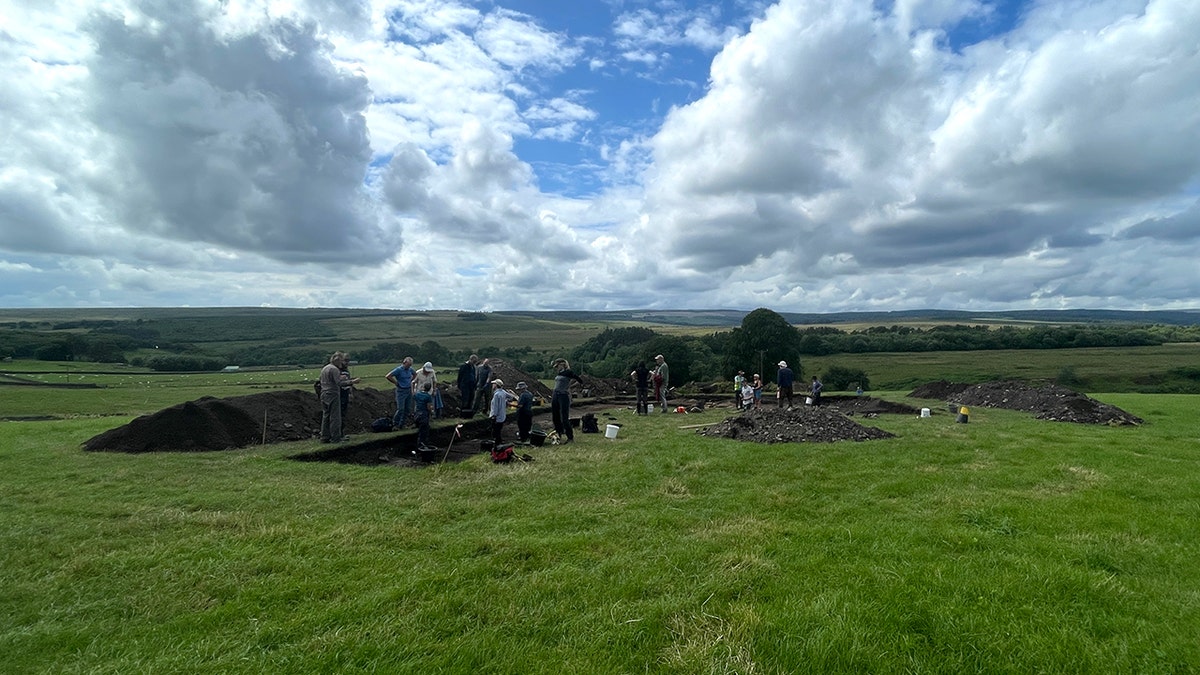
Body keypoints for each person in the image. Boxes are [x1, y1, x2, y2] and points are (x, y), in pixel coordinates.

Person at [551, 358, 585, 443]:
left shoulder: (569, 372)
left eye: (557, 366)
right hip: (555, 394)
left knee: (564, 417)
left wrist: (570, 387)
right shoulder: (559, 373)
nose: (556, 368)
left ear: (562, 365)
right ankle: (558, 433)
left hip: (563, 395)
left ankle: (570, 437)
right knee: (555, 416)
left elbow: (580, 381)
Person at [319, 352, 350, 443]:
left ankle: (324, 437)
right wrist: (352, 382)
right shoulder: (334, 369)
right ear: (338, 360)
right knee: (335, 417)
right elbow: (339, 383)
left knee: (326, 416)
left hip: (324, 393)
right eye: (342, 361)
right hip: (333, 394)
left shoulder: (325, 368)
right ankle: (336, 438)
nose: (342, 363)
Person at [386, 357, 416, 428]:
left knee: (407, 409)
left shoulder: (410, 369)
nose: (409, 367)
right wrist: (396, 383)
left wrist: (411, 381)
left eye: (410, 365)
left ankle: (402, 424)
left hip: (408, 390)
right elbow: (388, 376)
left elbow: (415, 374)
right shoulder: (398, 370)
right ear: (404, 363)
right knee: (401, 409)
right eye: (408, 365)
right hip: (401, 391)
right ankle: (395, 424)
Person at [488, 378, 516, 445]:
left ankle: (497, 444)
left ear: (496, 385)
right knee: (499, 430)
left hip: (497, 416)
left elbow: (495, 407)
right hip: (502, 415)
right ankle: (499, 441)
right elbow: (511, 397)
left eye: (493, 384)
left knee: (495, 431)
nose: (492, 385)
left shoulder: (496, 395)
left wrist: (494, 416)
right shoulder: (503, 392)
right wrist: (505, 401)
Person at [414, 382, 435, 449]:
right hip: (423, 415)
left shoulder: (418, 394)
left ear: (423, 387)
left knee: (420, 429)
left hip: (417, 414)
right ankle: (421, 445)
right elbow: (429, 407)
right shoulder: (428, 396)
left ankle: (419, 444)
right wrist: (432, 412)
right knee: (423, 432)